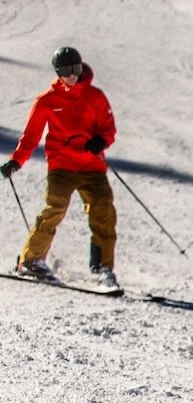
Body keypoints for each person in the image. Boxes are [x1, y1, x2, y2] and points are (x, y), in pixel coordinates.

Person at [0, 46, 119, 288]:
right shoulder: (47, 101)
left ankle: (102, 267)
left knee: (104, 210)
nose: (71, 75)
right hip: (61, 165)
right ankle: (30, 261)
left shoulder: (95, 96)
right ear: (58, 71)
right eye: (65, 70)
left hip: (92, 167)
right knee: (55, 207)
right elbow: (31, 136)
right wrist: (16, 161)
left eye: (75, 68)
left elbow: (108, 127)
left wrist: (101, 141)